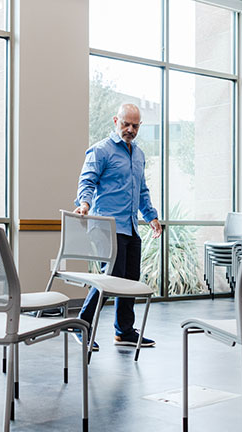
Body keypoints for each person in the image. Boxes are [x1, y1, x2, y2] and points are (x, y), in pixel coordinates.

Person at [74, 103, 162, 351]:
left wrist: (152, 216)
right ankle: (82, 325)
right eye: (126, 124)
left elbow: (142, 191)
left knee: (130, 280)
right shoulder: (101, 151)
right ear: (116, 121)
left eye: (135, 126)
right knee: (110, 278)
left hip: (131, 227)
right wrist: (84, 203)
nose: (130, 129)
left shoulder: (139, 155)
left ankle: (124, 332)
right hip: (107, 226)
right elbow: (87, 180)